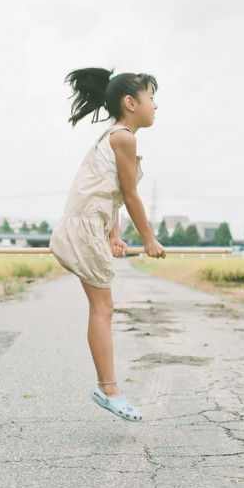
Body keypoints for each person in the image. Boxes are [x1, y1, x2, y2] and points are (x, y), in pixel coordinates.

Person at [49, 67, 166, 422]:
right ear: (131, 103)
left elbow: (109, 191)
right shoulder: (124, 137)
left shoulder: (115, 136)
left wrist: (114, 235)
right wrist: (149, 239)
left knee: (104, 307)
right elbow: (130, 194)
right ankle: (108, 388)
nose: (156, 105)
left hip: (91, 225)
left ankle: (108, 386)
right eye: (150, 97)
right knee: (103, 308)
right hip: (84, 228)